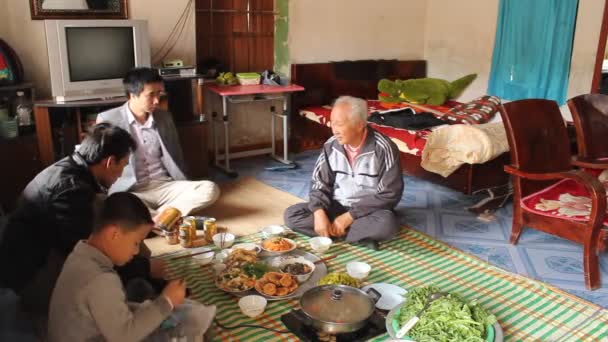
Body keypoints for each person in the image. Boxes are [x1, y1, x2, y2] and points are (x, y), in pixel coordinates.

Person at [0, 123, 166, 315]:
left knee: (118, 221)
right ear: (110, 162)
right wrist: (144, 268)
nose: (121, 174)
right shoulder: (71, 191)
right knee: (112, 273)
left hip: (42, 256)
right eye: (123, 165)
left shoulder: (75, 169)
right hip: (34, 277)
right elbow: (90, 252)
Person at [48, 192, 216, 342]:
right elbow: (124, 337)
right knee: (187, 328)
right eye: (135, 242)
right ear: (114, 234)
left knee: (140, 291)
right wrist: (167, 302)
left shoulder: (80, 252)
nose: (136, 251)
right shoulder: (101, 280)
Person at [97, 67, 219, 219]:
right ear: (132, 95)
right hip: (132, 191)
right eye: (151, 95)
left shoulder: (164, 117)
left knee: (210, 188)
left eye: (159, 93)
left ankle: (156, 218)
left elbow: (176, 156)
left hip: (166, 186)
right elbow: (100, 164)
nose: (157, 100)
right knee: (118, 204)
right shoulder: (108, 119)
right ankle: (169, 216)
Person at [284, 96, 404, 249]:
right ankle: (354, 236)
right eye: (332, 123)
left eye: (339, 124)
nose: (334, 130)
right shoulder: (331, 146)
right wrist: (319, 212)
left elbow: (390, 194)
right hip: (336, 205)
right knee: (292, 214)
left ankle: (332, 232)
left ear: (360, 125)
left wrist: (350, 217)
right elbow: (319, 183)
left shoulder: (383, 148)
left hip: (368, 211)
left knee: (386, 225)